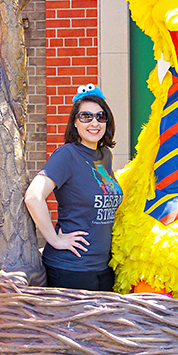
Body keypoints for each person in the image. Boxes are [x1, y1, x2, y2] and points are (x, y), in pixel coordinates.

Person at [25, 83, 123, 291]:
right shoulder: (66, 155)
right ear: (75, 123)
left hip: (103, 267)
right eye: (86, 117)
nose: (94, 122)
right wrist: (54, 239)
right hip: (71, 269)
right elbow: (33, 197)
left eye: (100, 116)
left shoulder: (104, 155)